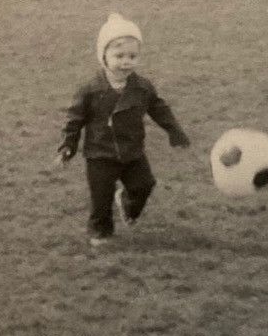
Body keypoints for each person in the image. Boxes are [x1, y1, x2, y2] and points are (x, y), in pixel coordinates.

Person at [57, 13, 192, 246]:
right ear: (104, 57)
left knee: (145, 184)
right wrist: (68, 146)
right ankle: (100, 232)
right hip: (100, 155)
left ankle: (129, 203)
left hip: (132, 152)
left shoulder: (141, 87)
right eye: (119, 56)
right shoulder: (90, 89)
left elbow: (159, 109)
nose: (126, 61)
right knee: (101, 197)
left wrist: (175, 132)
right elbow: (74, 119)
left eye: (132, 56)